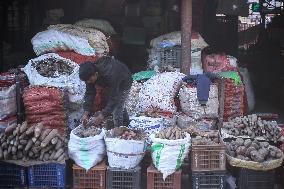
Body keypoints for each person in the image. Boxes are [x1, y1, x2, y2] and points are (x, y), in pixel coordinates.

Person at [79, 56, 133, 127]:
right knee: (118, 103)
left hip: (124, 81)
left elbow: (114, 98)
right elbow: (90, 93)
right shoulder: (89, 75)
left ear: (96, 74)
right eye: (87, 81)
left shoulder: (110, 74)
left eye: (90, 80)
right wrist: (86, 113)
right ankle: (125, 122)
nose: (88, 82)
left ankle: (119, 131)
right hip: (111, 82)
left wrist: (101, 117)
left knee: (117, 108)